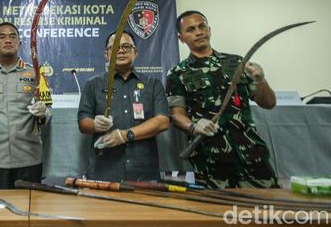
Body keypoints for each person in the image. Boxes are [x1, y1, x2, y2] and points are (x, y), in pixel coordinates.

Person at [166, 10, 278, 189]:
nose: (199, 32)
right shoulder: (177, 73)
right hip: (210, 157)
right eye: (191, 29)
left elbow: (269, 103)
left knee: (266, 210)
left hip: (250, 152)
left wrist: (261, 80)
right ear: (181, 38)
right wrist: (194, 126)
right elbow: (176, 115)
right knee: (217, 213)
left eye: (202, 26)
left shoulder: (237, 63)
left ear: (209, 29)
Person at [77, 31, 171, 182]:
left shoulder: (152, 84)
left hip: (144, 171)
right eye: (113, 48)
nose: (120, 51)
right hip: (104, 169)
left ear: (136, 52)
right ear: (106, 54)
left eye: (126, 47)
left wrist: (125, 135)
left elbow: (163, 121)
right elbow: (83, 123)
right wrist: (94, 124)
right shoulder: (93, 84)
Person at [0, 22, 51, 189]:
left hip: (29, 157)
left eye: (13, 36)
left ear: (20, 43)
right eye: (2, 37)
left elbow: (47, 108)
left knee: (28, 210)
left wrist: (43, 112)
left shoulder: (35, 73)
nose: (8, 40)